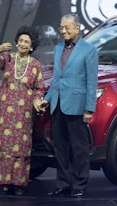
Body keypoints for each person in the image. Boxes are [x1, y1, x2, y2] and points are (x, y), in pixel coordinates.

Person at [36, 14, 98, 198]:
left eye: (67, 27)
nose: (63, 31)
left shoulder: (88, 50)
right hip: (58, 105)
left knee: (79, 148)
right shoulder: (58, 49)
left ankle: (79, 184)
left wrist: (89, 109)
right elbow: (57, 78)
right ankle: (63, 183)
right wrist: (47, 98)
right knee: (60, 147)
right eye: (61, 28)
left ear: (77, 28)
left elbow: (91, 82)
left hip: (77, 106)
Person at [0, 26, 45, 196]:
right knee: (5, 147)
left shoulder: (35, 65)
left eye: (26, 42)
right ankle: (5, 181)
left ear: (32, 46)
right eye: (20, 40)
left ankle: (19, 183)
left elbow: (40, 88)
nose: (22, 44)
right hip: (5, 110)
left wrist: (37, 100)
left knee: (20, 148)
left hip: (23, 112)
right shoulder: (8, 59)